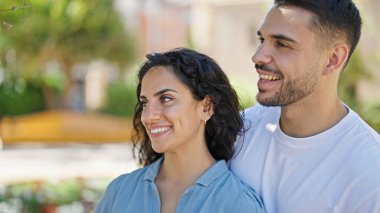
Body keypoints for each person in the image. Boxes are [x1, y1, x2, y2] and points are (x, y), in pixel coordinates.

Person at [230, 0, 380, 212]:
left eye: (282, 44)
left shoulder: (370, 174)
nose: (258, 56)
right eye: (262, 40)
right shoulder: (239, 131)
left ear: (333, 59)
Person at [95, 48, 265, 213]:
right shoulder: (119, 193)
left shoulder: (238, 204)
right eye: (145, 103)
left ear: (206, 107)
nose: (148, 116)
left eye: (166, 98)